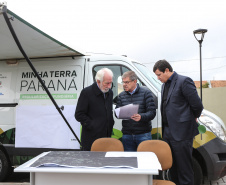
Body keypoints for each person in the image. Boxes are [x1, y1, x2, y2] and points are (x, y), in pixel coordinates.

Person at [153, 60, 203, 185]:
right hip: (168, 132)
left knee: (184, 169)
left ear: (167, 70)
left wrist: (192, 117)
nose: (158, 78)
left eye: (159, 75)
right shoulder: (164, 85)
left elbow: (197, 105)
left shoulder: (184, 81)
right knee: (173, 167)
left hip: (182, 132)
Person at [75, 68, 114, 151]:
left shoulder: (110, 93)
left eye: (111, 83)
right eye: (107, 83)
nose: (109, 86)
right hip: (91, 138)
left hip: (106, 137)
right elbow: (79, 114)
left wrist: (111, 122)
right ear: (98, 81)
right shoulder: (86, 93)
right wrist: (93, 125)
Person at [116, 71, 156, 151]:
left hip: (143, 134)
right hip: (127, 135)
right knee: (129, 161)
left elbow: (152, 112)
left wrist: (141, 117)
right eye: (123, 82)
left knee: (145, 160)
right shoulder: (121, 95)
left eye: (127, 82)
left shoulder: (146, 93)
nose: (124, 85)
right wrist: (120, 113)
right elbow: (116, 113)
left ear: (135, 81)